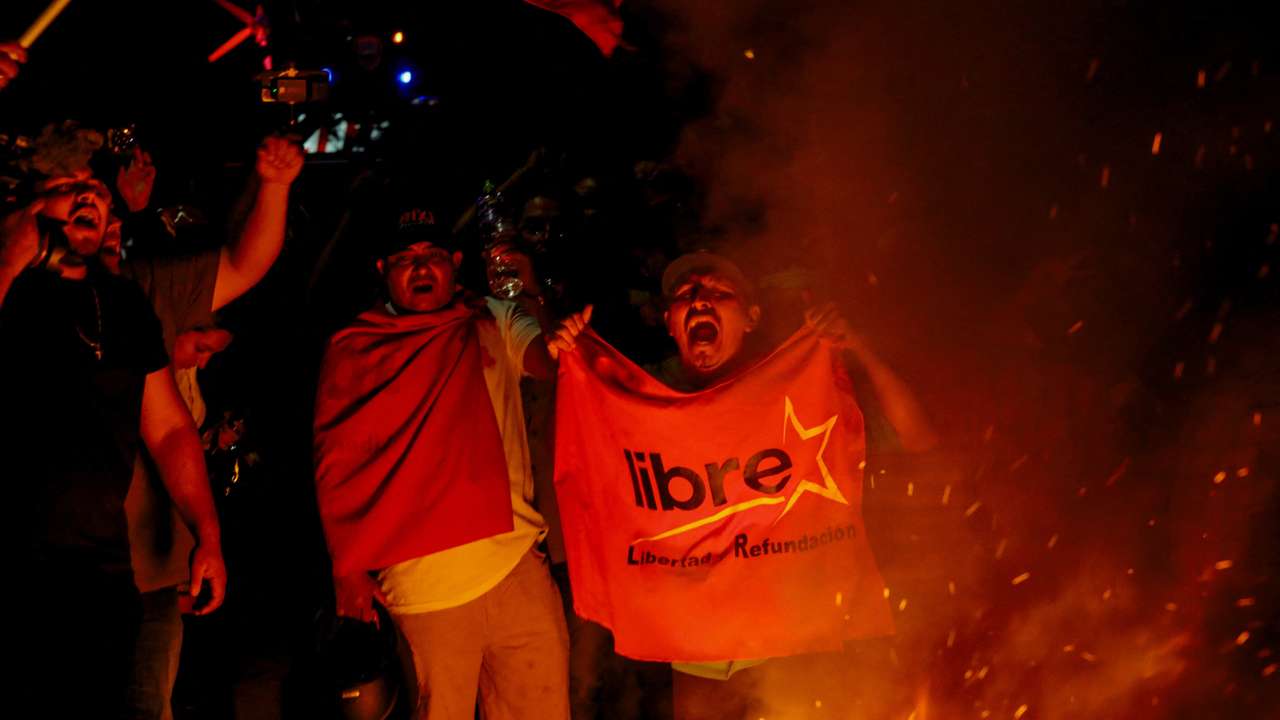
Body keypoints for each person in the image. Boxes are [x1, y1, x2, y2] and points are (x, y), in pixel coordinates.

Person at [312, 202, 590, 720]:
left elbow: (545, 356)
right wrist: (346, 570)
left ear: (455, 263)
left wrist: (556, 334)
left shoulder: (491, 318)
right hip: (421, 586)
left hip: (515, 567)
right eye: (405, 258)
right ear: (382, 271)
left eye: (433, 255)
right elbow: (336, 462)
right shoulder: (356, 349)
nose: (421, 268)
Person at [649, 250, 938, 719]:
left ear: (750, 318)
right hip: (700, 645)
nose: (700, 301)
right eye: (686, 295)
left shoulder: (796, 392)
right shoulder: (649, 397)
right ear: (668, 322)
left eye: (719, 293)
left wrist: (856, 345)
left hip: (793, 638)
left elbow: (917, 436)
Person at [0, 146, 226, 719]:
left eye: (97, 189)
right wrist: (16, 241)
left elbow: (171, 427)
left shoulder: (120, 302)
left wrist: (208, 532)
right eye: (69, 184)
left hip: (99, 571)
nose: (89, 196)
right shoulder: (13, 290)